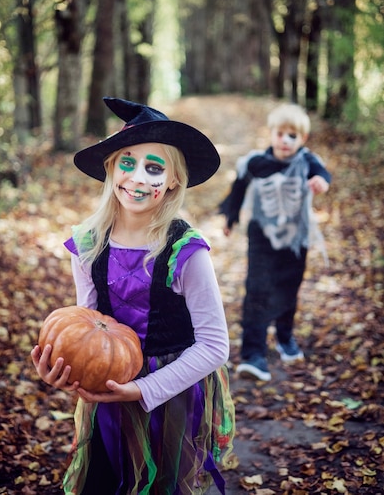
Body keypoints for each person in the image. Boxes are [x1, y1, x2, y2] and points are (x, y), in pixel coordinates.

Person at [31, 97, 235, 495]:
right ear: (111, 168)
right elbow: (87, 327)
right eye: (127, 162)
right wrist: (65, 368)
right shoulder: (88, 245)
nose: (137, 178)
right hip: (109, 391)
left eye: (154, 168)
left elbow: (215, 346)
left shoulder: (185, 251)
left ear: (174, 180)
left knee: (162, 486)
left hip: (171, 395)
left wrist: (144, 388)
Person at [219, 103, 331, 383]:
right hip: (261, 235)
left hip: (296, 239)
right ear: (271, 134)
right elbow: (238, 188)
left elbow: (323, 175)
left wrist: (320, 182)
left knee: (288, 287)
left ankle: (284, 336)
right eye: (280, 133)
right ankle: (253, 354)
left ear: (302, 140)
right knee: (256, 291)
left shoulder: (307, 161)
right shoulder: (255, 163)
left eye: (292, 136)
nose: (285, 140)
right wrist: (230, 217)